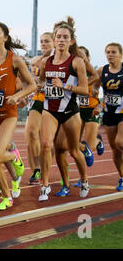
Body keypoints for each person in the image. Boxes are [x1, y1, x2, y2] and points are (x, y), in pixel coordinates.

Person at [0, 22, 36, 210]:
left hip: (7, 114)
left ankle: (13, 157)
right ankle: (7, 196)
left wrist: (17, 96)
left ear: (5, 37)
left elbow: (32, 85)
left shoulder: (14, 60)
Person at [38, 17, 90, 202]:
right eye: (58, 36)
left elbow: (84, 89)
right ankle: (45, 185)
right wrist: (41, 85)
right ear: (54, 39)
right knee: (46, 145)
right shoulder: (46, 61)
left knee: (72, 151)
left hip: (69, 111)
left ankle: (84, 180)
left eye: (65, 37)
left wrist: (65, 86)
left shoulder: (77, 62)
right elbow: (42, 80)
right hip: (49, 109)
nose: (61, 40)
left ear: (71, 41)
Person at [92, 43, 123, 191]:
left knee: (120, 142)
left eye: (113, 52)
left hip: (122, 113)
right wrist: (97, 102)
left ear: (120, 55)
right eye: (108, 52)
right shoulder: (102, 70)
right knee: (115, 149)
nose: (110, 54)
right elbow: (96, 86)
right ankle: (122, 177)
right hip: (109, 113)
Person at [25, 32, 54, 185]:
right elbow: (29, 81)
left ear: (54, 43)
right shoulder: (36, 60)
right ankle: (36, 170)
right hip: (37, 101)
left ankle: (46, 167)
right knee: (31, 134)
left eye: (47, 41)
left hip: (55, 102)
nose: (43, 44)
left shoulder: (59, 61)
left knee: (51, 142)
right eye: (41, 41)